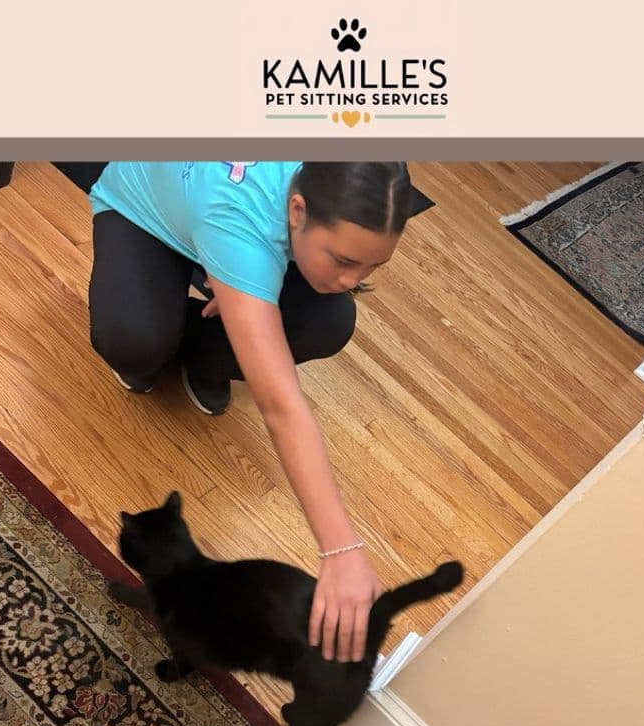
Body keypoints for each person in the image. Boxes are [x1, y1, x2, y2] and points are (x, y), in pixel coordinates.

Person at [87, 161, 412, 664]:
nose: (354, 278)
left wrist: (246, 286)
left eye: (372, 267)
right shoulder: (235, 218)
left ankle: (209, 353)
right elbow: (280, 407)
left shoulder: (347, 161)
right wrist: (342, 551)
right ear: (298, 209)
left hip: (230, 232)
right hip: (145, 216)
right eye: (344, 259)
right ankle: (162, 338)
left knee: (330, 319)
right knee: (135, 342)